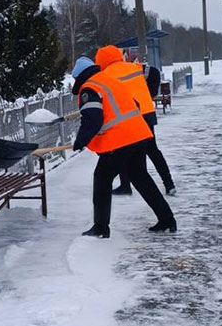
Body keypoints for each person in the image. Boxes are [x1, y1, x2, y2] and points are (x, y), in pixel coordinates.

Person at [70, 56, 177, 238]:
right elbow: (133, 104)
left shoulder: (90, 88)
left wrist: (81, 141)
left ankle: (101, 228)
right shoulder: (109, 81)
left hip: (120, 141)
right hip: (139, 134)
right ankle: (167, 220)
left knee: (102, 178)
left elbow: (93, 119)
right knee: (141, 177)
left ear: (79, 77)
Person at [95, 46, 176, 196]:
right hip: (146, 112)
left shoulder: (105, 75)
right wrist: (150, 93)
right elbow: (154, 72)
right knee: (152, 150)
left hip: (128, 117)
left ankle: (126, 186)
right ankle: (169, 184)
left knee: (123, 150)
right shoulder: (134, 67)